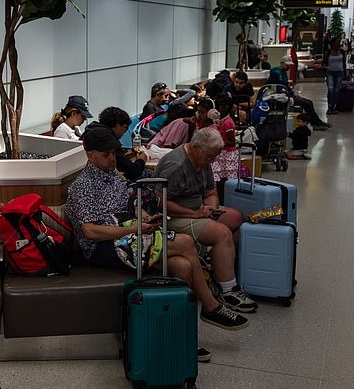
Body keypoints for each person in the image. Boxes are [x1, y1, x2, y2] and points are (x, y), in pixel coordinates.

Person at [65, 126, 249, 340]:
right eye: (106, 155)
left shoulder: (112, 175)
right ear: (90, 156)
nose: (113, 159)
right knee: (186, 243)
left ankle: (179, 335)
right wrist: (135, 228)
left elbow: (128, 200)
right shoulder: (84, 186)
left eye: (114, 154)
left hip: (127, 233)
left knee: (183, 265)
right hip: (104, 247)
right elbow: (90, 231)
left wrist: (142, 216)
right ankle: (211, 307)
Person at [151, 127, 258, 314]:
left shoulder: (203, 160)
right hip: (173, 216)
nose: (213, 161)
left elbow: (210, 192)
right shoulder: (176, 165)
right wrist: (196, 214)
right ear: (195, 147)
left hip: (196, 210)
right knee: (222, 233)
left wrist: (212, 209)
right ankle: (228, 290)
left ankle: (220, 272)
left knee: (236, 218)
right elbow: (159, 202)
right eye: (210, 157)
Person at [85, 106, 149, 182]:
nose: (112, 158)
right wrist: (141, 160)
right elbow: (133, 172)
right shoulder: (108, 140)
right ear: (118, 125)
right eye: (125, 127)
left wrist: (123, 157)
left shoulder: (91, 131)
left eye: (114, 154)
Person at [268, 55, 331, 130]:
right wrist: (277, 95)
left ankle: (317, 122)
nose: (288, 67)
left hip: (288, 95)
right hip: (282, 97)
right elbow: (270, 88)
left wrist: (293, 94)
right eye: (287, 65)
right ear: (282, 63)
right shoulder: (275, 73)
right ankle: (316, 123)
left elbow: (286, 86)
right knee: (306, 104)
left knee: (309, 102)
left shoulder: (283, 72)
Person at [212, 93, 239, 201]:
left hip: (226, 154)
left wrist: (217, 142)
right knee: (219, 180)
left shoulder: (228, 122)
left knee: (223, 180)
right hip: (221, 153)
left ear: (225, 107)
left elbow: (231, 142)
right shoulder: (221, 121)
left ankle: (224, 200)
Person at [323, 37, 347, 115]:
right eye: (337, 42)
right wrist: (325, 68)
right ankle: (330, 107)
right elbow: (324, 62)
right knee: (330, 90)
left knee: (336, 90)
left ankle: (334, 107)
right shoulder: (328, 52)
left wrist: (345, 74)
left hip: (339, 73)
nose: (338, 44)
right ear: (333, 43)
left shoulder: (342, 52)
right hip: (330, 72)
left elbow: (344, 63)